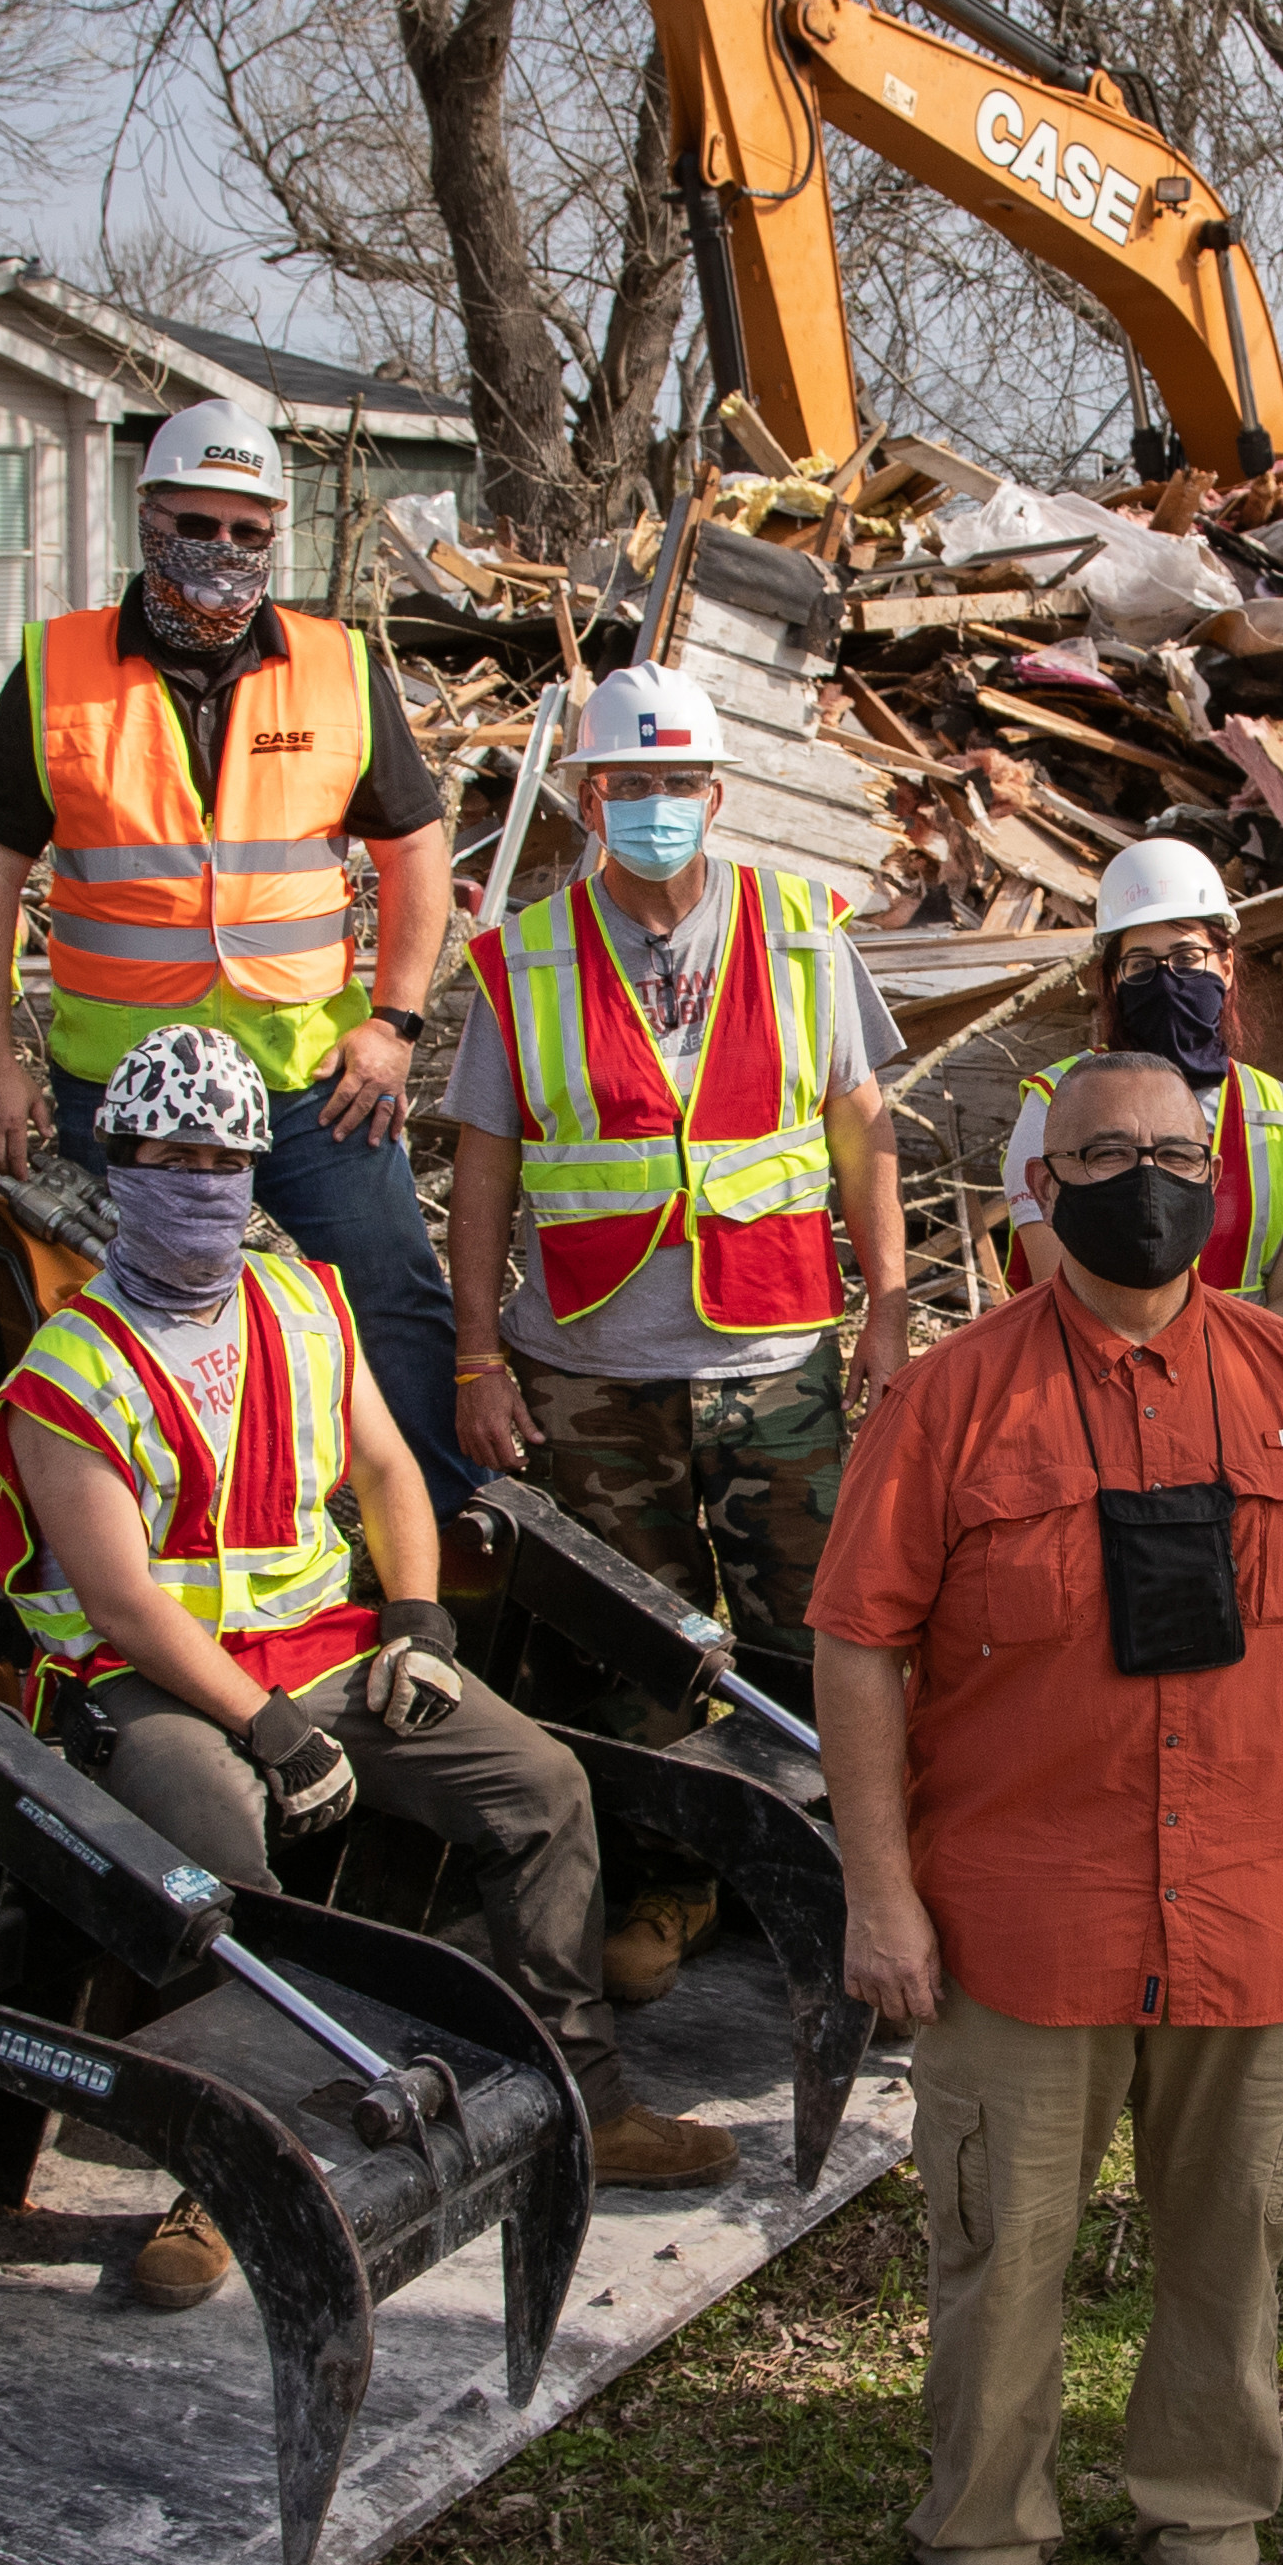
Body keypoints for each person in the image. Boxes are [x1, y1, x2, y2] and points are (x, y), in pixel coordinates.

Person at [808, 1051, 1283, 2565]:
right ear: (1043, 1186)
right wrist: (878, 1892)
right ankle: (980, 2525)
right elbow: (856, 1647)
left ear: (1217, 1177)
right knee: (999, 2249)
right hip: (1021, 1923)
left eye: (1177, 1151)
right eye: (1107, 1152)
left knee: (1230, 2240)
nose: (1149, 1177)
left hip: (1260, 1910)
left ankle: (1205, 2514)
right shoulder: (947, 1401)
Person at [0, 1026, 740, 2309]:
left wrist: (418, 1622)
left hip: (324, 1648)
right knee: (217, 1857)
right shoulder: (69, 1371)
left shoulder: (301, 1300)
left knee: (541, 1783)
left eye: (227, 1159)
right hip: (151, 1681)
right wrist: (268, 1729)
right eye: (170, 1159)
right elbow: (117, 1599)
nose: (203, 1184)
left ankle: (588, 2097)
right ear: (118, 1166)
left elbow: (388, 1470)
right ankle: (225, 2178)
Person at [0, 400, 472, 1517]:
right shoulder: (57, 668)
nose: (220, 551)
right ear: (147, 517)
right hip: (118, 1095)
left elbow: (416, 848)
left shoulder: (334, 663)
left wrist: (397, 1022)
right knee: (94, 1317)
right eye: (195, 523)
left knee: (391, 1299)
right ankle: (125, 1551)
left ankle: (443, 1541)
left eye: (246, 530)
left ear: (276, 532)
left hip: (308, 1082)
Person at [445, 660, 916, 1759]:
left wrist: (889, 1307)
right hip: (588, 1370)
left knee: (812, 1640)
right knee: (631, 1654)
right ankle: (672, 1887)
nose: (657, 807)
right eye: (629, 783)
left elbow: (863, 1130)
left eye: (680, 782)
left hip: (775, 1363)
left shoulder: (799, 930)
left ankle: (826, 1866)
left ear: (717, 795)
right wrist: (476, 1356)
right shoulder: (527, 957)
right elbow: (484, 1164)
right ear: (587, 796)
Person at [1001, 839, 1283, 1317]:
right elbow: (1061, 1298)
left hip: (1244, 1380)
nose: (1167, 982)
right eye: (1140, 966)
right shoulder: (1052, 1107)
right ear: (1112, 980)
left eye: (1187, 958)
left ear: (1227, 965)